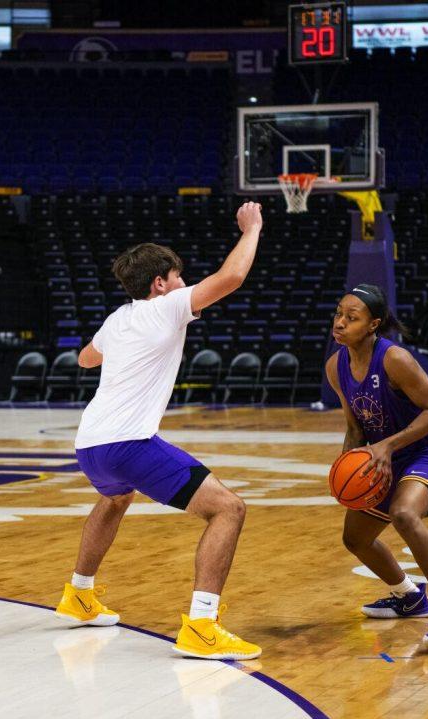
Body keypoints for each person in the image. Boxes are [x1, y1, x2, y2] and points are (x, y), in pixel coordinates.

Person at [54, 201, 264, 660]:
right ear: (160, 283)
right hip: (128, 443)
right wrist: (251, 229)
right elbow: (230, 279)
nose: (184, 286)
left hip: (89, 444)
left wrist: (122, 351)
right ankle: (202, 626)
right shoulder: (166, 308)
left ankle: (79, 594)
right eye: (179, 278)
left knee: (115, 498)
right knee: (228, 509)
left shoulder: (117, 319)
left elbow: (85, 358)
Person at [326, 284, 428, 651]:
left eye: (352, 317)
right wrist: (344, 468)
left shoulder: (394, 359)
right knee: (355, 538)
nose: (341, 323)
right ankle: (408, 597)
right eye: (338, 314)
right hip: (382, 459)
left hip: (425, 452)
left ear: (373, 324)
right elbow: (355, 427)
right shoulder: (337, 366)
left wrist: (388, 445)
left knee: (404, 515)